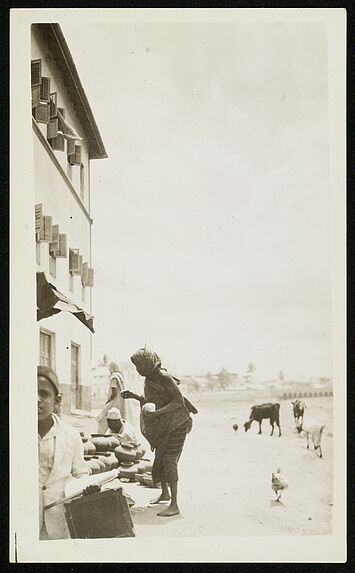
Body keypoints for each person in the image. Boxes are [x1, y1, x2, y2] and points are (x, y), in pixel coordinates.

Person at [121, 347, 198, 517]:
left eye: (139, 366)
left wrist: (157, 414)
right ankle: (165, 493)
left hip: (178, 422)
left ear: (148, 363)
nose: (138, 370)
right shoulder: (150, 378)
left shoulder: (162, 376)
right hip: (165, 423)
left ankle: (175, 505)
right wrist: (134, 396)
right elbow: (153, 401)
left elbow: (178, 401)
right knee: (160, 457)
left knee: (170, 459)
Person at [38, 365, 91, 540]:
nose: (37, 399)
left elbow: (80, 473)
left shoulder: (71, 435)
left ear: (57, 401)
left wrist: (87, 486)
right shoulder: (15, 433)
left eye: (44, 394)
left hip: (59, 522)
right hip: (24, 522)